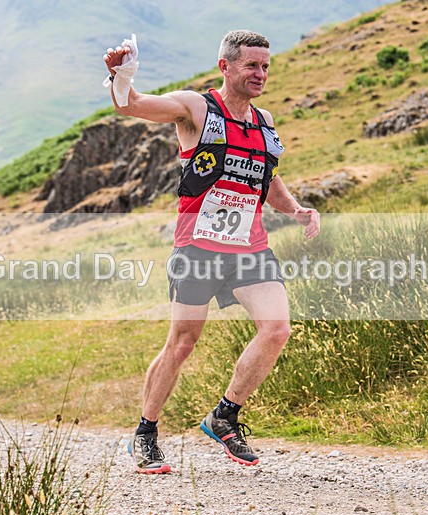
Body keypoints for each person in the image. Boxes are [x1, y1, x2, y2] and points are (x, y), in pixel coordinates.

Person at [103, 30, 320, 474]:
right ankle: (145, 433)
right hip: (198, 247)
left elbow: (267, 178)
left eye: (265, 66)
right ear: (226, 66)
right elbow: (131, 105)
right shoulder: (196, 108)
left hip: (249, 246)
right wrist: (121, 77)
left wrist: (296, 209)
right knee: (182, 343)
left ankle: (225, 414)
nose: (260, 74)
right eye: (251, 66)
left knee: (277, 329)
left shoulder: (265, 120)